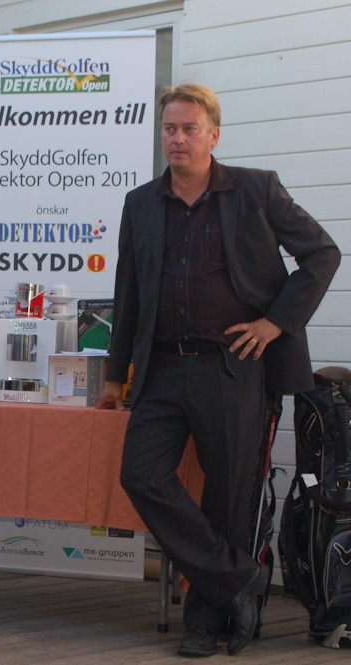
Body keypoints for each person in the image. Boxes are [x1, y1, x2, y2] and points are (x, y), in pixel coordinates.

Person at [96, 83, 339, 657]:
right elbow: (128, 293)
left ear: (213, 135)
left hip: (232, 368)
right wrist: (114, 375)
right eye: (169, 129)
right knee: (141, 474)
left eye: (188, 129)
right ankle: (238, 577)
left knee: (228, 498)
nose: (177, 138)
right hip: (161, 369)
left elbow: (322, 253)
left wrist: (275, 324)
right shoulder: (140, 203)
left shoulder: (255, 190)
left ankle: (205, 624)